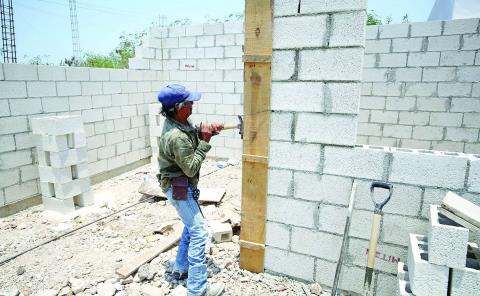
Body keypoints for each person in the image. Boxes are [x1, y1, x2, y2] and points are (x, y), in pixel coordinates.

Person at [156, 84, 225, 296]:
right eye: (189, 103)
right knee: (199, 230)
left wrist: (204, 130)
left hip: (182, 184)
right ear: (178, 106)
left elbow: (190, 133)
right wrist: (204, 142)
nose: (193, 105)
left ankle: (181, 267)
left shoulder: (180, 122)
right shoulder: (176, 137)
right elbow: (191, 167)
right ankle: (197, 290)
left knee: (190, 225)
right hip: (179, 186)